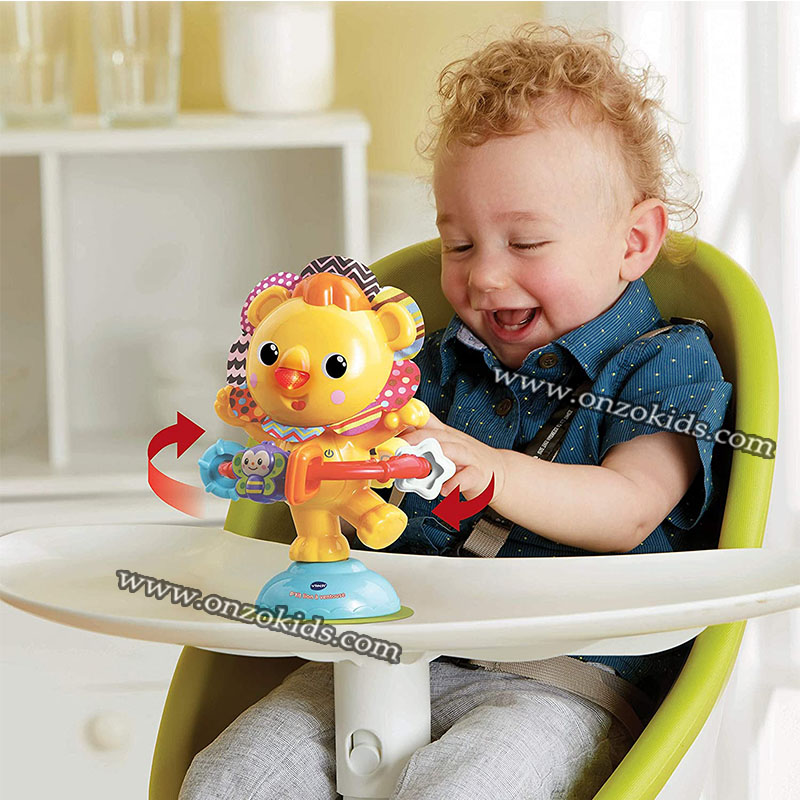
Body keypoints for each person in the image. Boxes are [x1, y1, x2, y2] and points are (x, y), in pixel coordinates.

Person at [179, 22, 732, 800]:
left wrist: (491, 469)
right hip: (380, 655)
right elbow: (344, 473)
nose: (484, 277)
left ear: (634, 241)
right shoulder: (427, 365)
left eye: (526, 243)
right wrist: (308, 434)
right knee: (231, 776)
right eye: (460, 245)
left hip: (559, 681)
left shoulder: (666, 363)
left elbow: (630, 508)